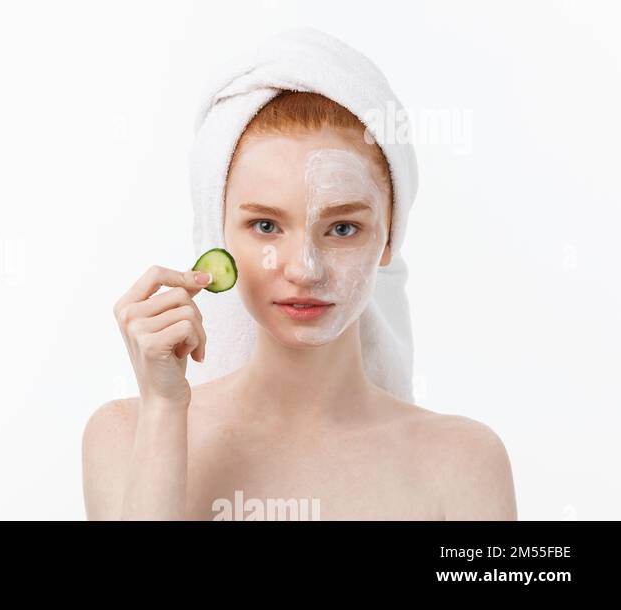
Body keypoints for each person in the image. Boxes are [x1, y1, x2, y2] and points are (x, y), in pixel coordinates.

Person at [82, 90, 515, 521]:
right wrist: (163, 409)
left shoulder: (463, 462)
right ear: (222, 235)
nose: (305, 270)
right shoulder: (129, 434)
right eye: (266, 225)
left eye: (343, 228)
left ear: (389, 239)